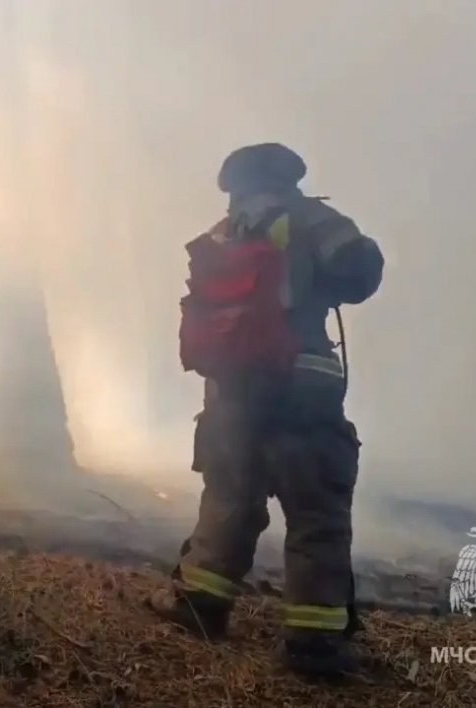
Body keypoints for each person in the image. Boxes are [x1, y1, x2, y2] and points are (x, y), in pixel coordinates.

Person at [150, 143, 384, 679]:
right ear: (289, 179)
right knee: (316, 510)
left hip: (229, 389)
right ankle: (313, 644)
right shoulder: (312, 219)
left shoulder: (220, 234)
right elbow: (360, 272)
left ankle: (200, 604)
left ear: (233, 187)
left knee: (230, 496)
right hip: (303, 388)